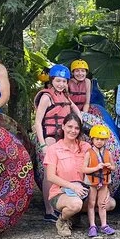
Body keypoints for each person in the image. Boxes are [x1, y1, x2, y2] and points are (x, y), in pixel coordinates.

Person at [44, 113, 116, 237]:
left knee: (109, 203)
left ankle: (75, 216)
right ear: (63, 126)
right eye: (70, 126)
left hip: (85, 190)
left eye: (76, 128)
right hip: (61, 192)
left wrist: (105, 189)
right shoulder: (54, 149)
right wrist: (72, 186)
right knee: (75, 204)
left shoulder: (86, 147)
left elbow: (100, 169)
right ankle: (62, 220)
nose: (73, 131)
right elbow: (50, 176)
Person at [34, 64, 81, 222]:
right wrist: (42, 145)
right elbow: (38, 122)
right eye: (58, 81)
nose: (61, 84)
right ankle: (49, 210)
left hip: (63, 138)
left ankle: (59, 205)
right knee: (49, 175)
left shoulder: (65, 96)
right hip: (50, 138)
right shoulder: (46, 97)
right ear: (52, 80)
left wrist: (80, 121)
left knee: (63, 172)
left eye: (64, 81)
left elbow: (75, 110)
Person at [82, 125, 117, 237]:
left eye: (102, 139)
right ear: (92, 139)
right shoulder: (89, 153)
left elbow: (113, 167)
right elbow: (84, 169)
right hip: (92, 182)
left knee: (102, 204)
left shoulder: (108, 153)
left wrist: (110, 166)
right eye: (97, 139)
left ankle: (104, 225)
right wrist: (96, 167)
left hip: (104, 182)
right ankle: (92, 225)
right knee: (91, 203)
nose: (99, 142)